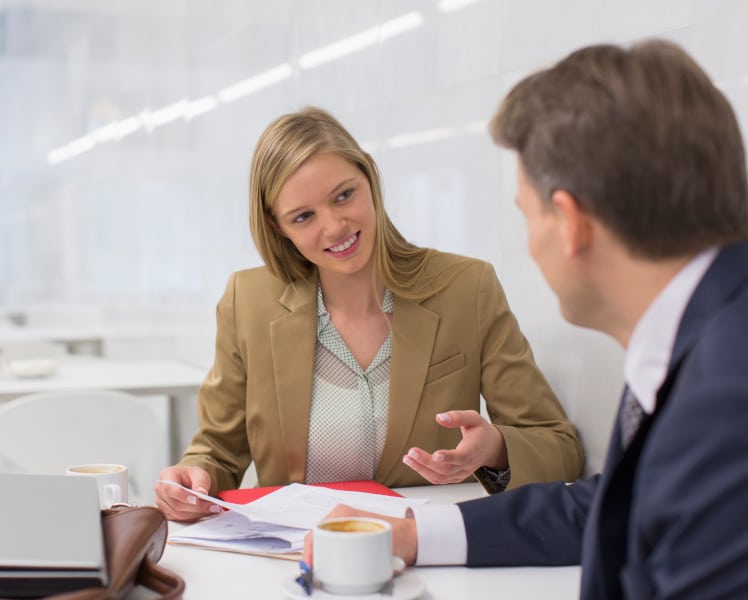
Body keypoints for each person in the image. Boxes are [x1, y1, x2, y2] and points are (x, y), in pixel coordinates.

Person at [306, 40, 748, 599]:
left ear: (569, 223)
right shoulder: (709, 339)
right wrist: (416, 534)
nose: (531, 245)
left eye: (527, 215)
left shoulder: (726, 395)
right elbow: (614, 505)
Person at [155, 106, 583, 522]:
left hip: (427, 552)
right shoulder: (247, 301)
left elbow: (559, 446)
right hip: (296, 555)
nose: (335, 227)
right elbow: (218, 450)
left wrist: (496, 448)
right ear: (277, 227)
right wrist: (196, 477)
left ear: (370, 177)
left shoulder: (467, 290)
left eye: (344, 195)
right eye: (303, 216)